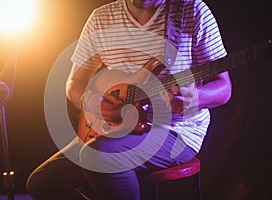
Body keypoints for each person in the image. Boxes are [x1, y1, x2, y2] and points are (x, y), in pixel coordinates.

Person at [26, 0, 232, 199]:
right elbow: (75, 83)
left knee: (98, 156)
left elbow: (224, 87)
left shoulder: (191, 10)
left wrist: (196, 98)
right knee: (43, 182)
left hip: (175, 131)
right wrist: (90, 102)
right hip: (114, 127)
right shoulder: (101, 18)